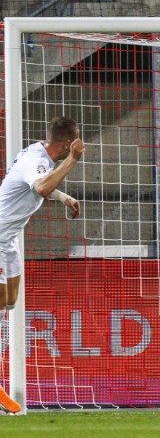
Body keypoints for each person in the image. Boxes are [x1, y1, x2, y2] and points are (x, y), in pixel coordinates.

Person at [0, 116, 84, 414]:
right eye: (75, 141)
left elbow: (39, 187)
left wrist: (64, 198)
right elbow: (40, 186)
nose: (77, 145)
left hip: (7, 241)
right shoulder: (36, 159)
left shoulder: (39, 157)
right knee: (1, 305)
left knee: (9, 303)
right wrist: (72, 160)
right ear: (66, 143)